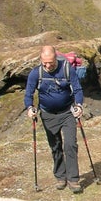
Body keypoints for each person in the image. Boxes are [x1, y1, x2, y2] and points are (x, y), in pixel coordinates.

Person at [25, 45, 84, 193]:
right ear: (41, 59)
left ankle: (73, 179)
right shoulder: (35, 73)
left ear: (56, 58)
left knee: (70, 144)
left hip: (67, 112)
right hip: (47, 114)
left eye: (51, 62)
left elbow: (77, 89)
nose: (48, 65)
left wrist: (79, 105)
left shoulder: (66, 68)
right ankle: (60, 176)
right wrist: (30, 108)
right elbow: (28, 94)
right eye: (45, 62)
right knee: (55, 145)